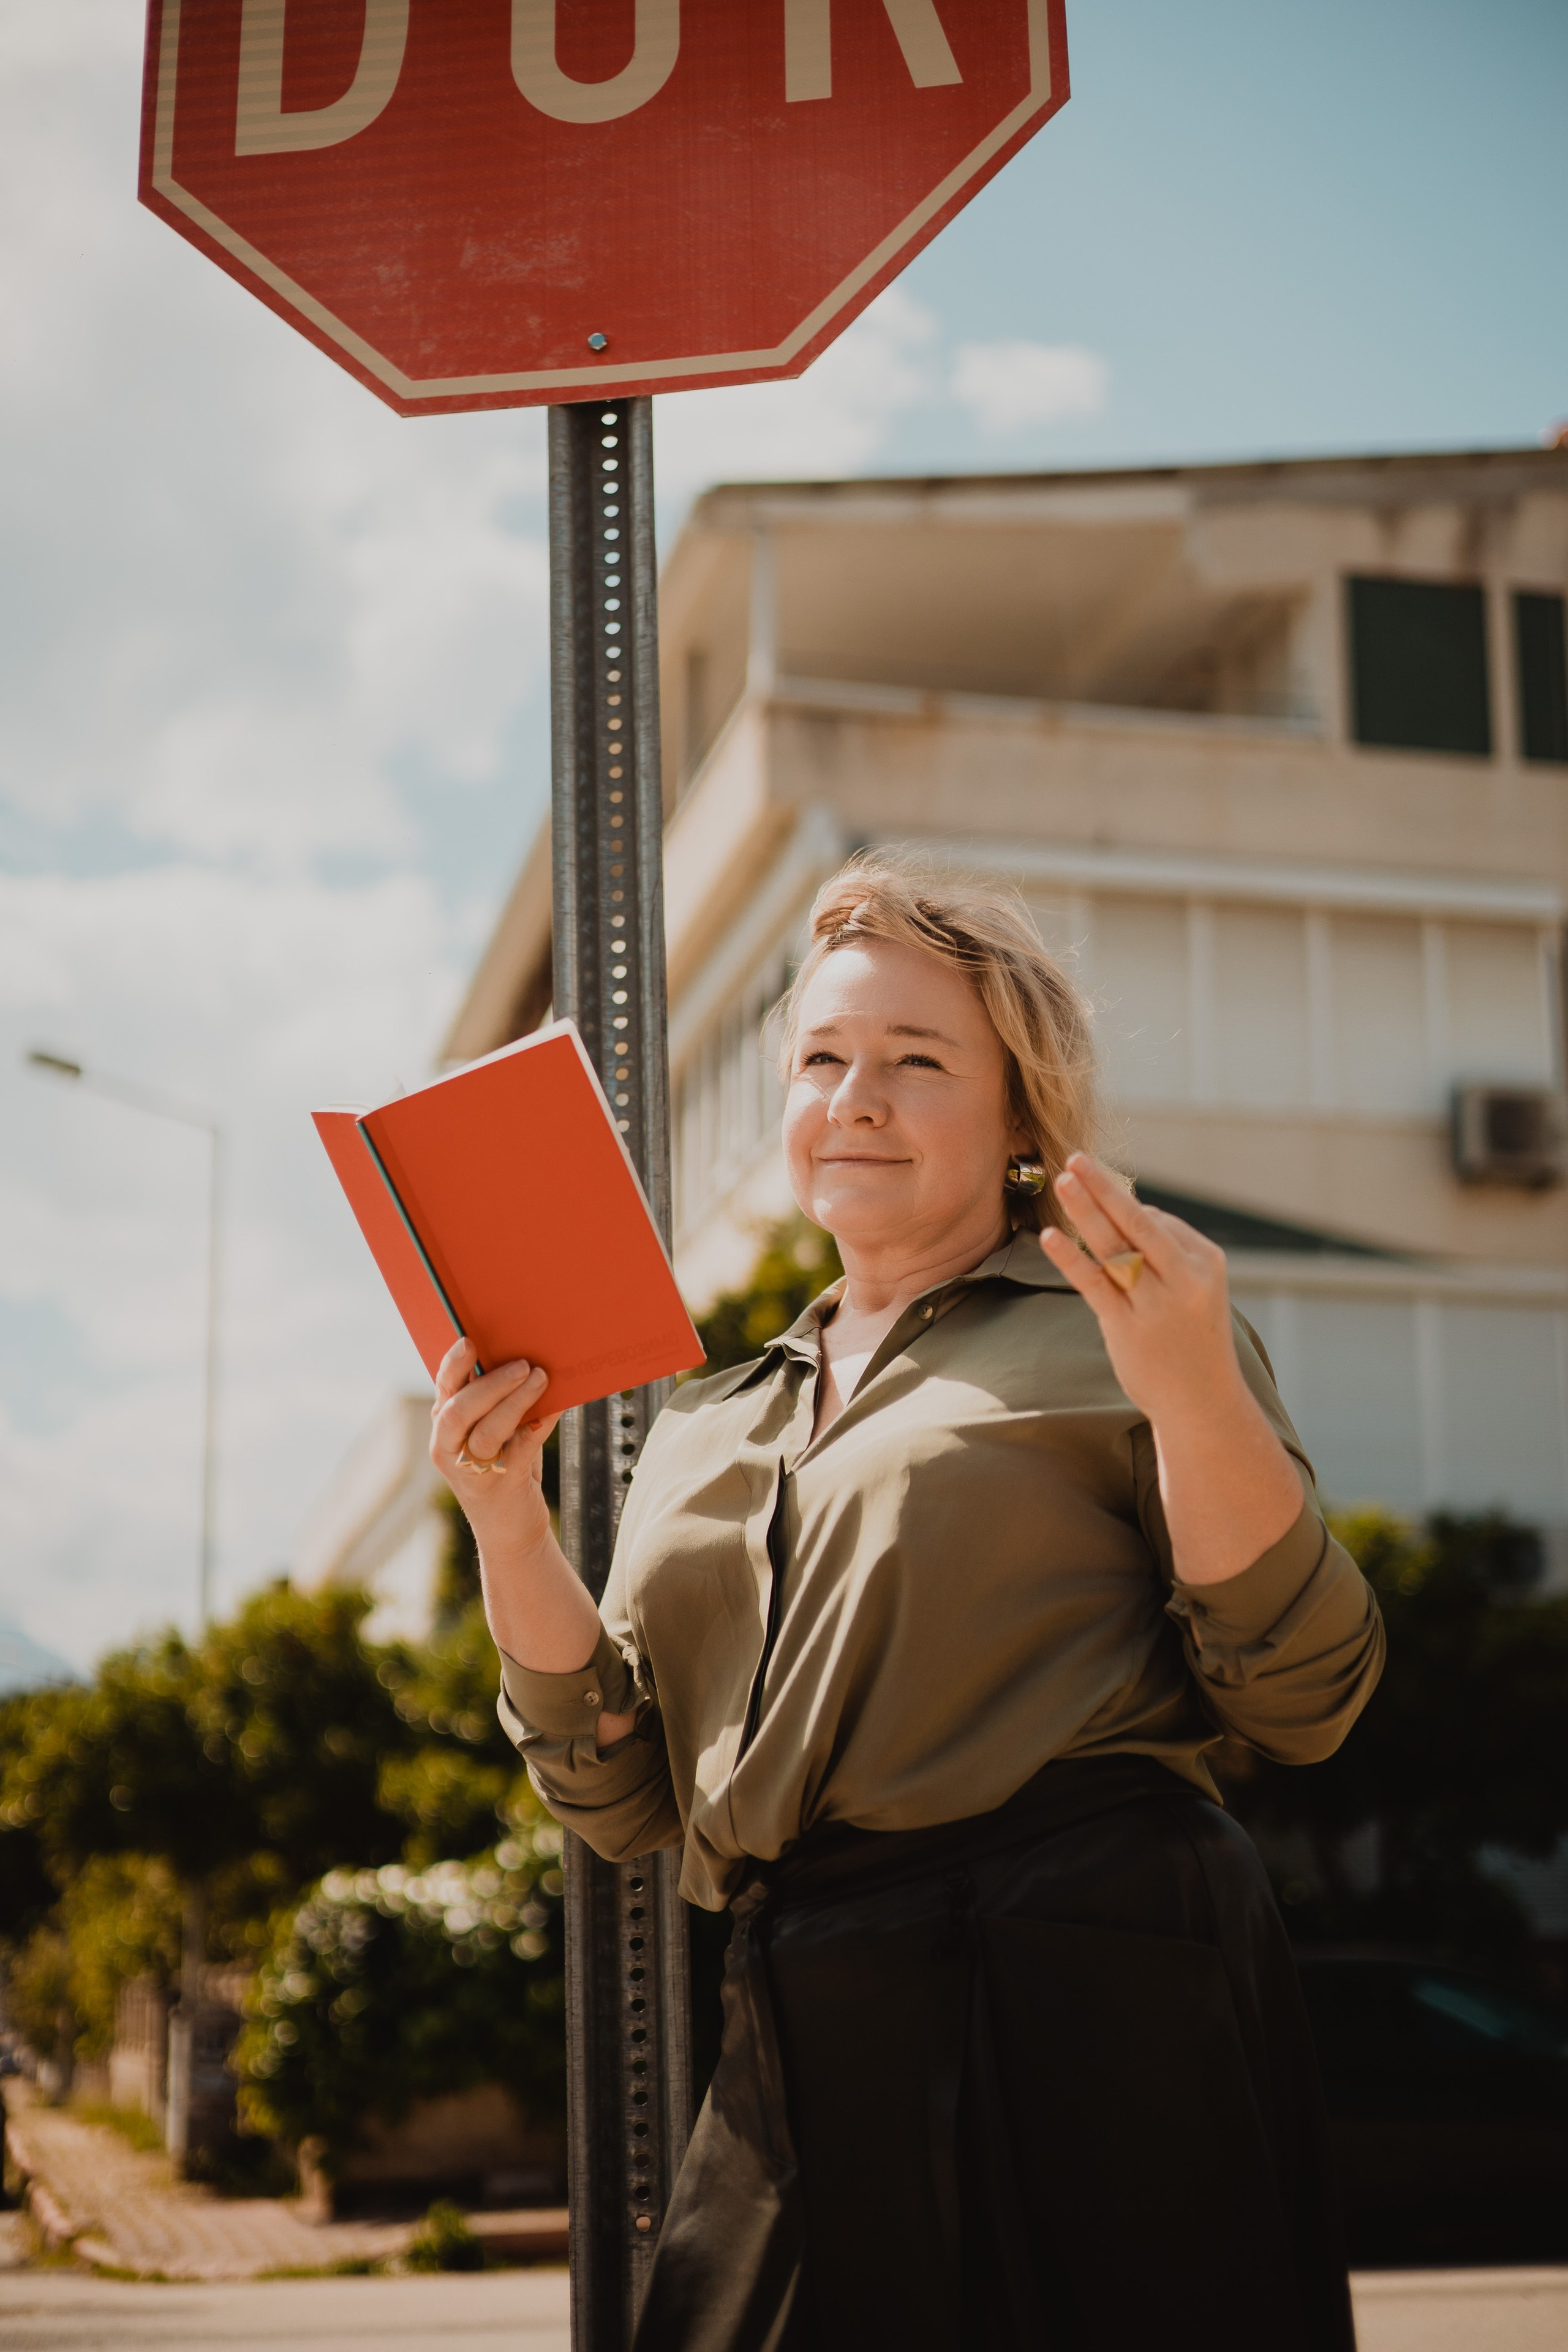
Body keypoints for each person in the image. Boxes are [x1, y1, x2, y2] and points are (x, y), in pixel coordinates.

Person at [432, 854, 1384, 2352]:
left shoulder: (1126, 1334)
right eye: (821, 1058)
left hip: (1087, 1971)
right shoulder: (707, 1417)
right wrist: (502, 1512)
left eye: (914, 1060)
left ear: (1018, 1117)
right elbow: (616, 1785)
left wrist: (1195, 1395)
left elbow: (1301, 1695)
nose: (853, 1097)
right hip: (805, 1997)